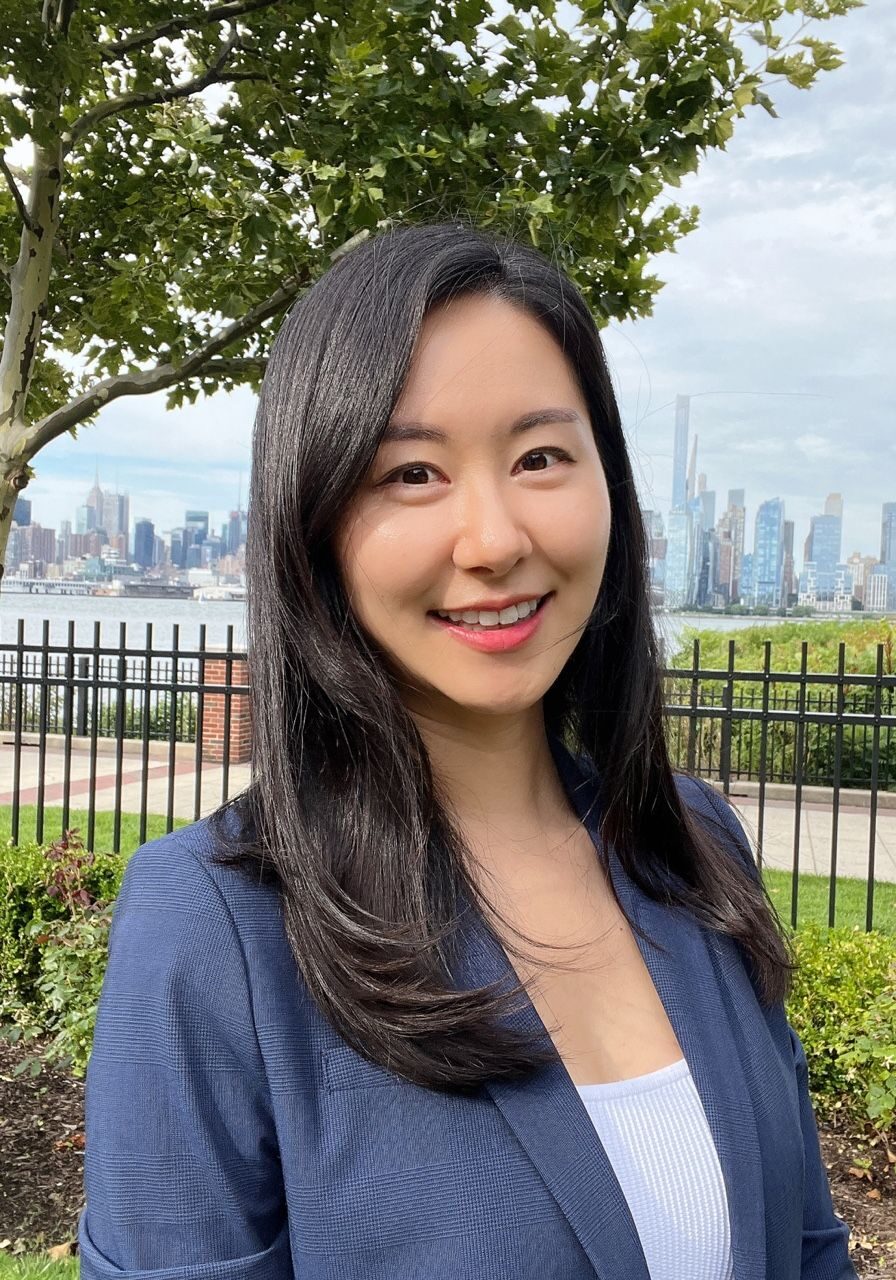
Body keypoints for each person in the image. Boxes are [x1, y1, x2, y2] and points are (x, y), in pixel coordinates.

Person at [78, 221, 857, 1279]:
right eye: (410, 472)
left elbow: (806, 1248)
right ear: (314, 522)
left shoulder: (688, 843)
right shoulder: (219, 928)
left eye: (539, 456)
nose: (491, 539)